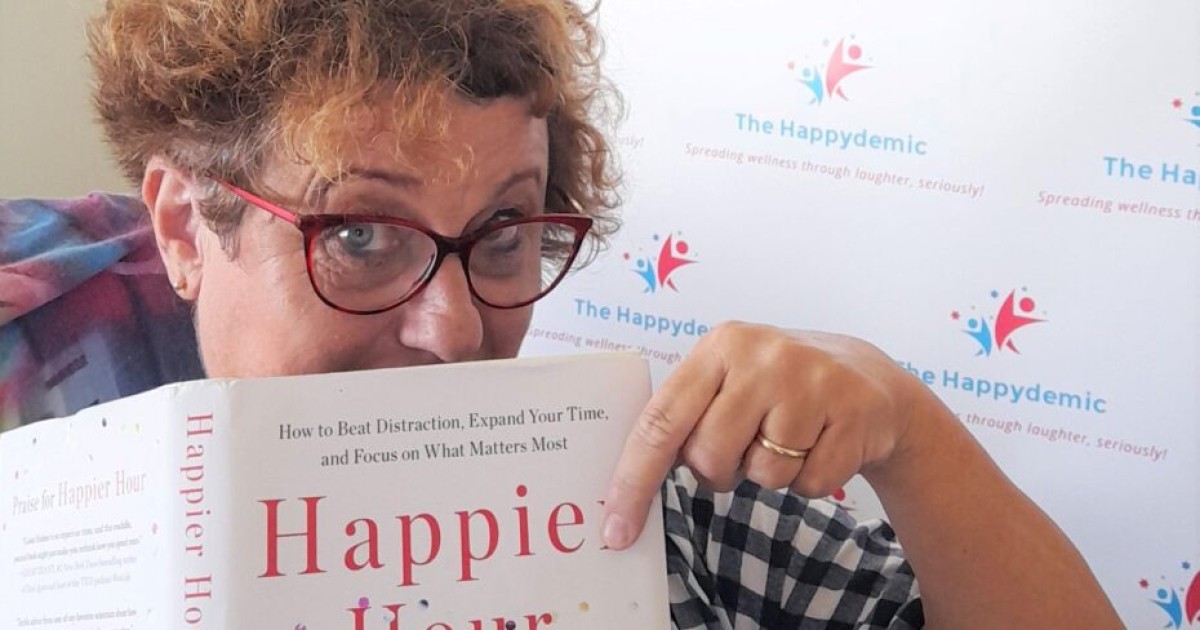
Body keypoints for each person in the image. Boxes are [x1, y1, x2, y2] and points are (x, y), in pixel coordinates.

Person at [0, 1, 1123, 627]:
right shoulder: (56, 529)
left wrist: (915, 439)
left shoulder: (647, 502)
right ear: (185, 229)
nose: (453, 331)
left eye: (501, 235)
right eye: (360, 235)